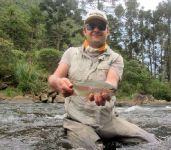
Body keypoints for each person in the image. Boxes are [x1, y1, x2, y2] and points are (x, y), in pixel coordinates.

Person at [48, 9, 159, 150]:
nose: (96, 29)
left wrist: (106, 90)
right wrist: (58, 83)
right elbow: (53, 77)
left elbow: (112, 83)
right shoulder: (71, 53)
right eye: (91, 26)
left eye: (101, 26)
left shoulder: (116, 58)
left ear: (107, 31)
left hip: (108, 120)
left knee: (152, 142)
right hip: (78, 121)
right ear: (84, 31)